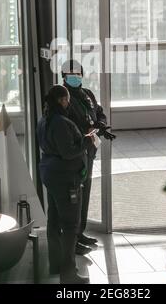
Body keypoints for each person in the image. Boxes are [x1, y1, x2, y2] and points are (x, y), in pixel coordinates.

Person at [37, 84, 94, 284]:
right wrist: (87, 141)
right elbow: (68, 152)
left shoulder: (44, 120)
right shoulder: (61, 122)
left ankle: (55, 264)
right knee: (70, 225)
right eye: (67, 99)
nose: (69, 103)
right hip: (65, 178)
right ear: (61, 100)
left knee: (53, 220)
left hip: (51, 175)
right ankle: (69, 274)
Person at [61, 59, 116, 255]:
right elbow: (66, 125)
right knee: (75, 196)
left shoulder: (87, 94)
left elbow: (99, 113)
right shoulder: (63, 98)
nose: (76, 77)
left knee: (85, 193)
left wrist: (100, 125)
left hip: (89, 152)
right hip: (75, 155)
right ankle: (73, 238)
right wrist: (87, 129)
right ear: (64, 77)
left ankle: (80, 232)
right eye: (71, 75)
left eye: (78, 74)